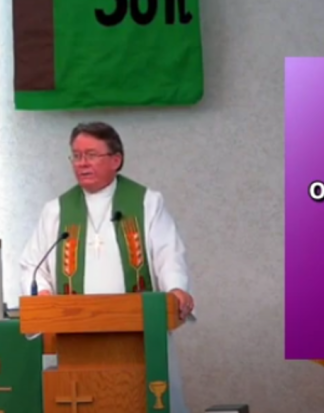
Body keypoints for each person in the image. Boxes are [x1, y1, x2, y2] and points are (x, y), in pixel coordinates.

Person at [19, 121, 194, 413]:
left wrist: (176, 289)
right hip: (75, 337)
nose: (82, 163)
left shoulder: (147, 203)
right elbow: (31, 265)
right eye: (76, 155)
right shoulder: (56, 211)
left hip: (139, 333)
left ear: (116, 159)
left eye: (91, 154)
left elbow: (168, 253)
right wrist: (44, 294)